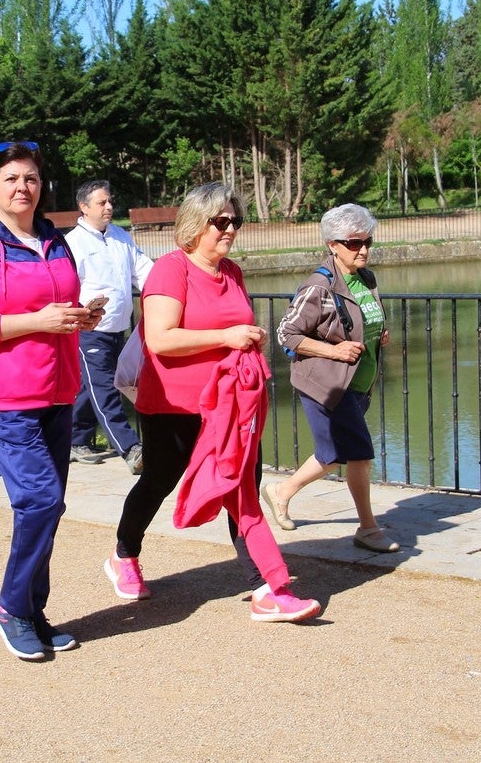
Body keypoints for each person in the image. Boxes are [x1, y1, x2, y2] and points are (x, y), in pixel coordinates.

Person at [106, 182, 321, 623]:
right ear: (194, 224)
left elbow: (234, 325)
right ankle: (124, 555)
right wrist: (226, 337)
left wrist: (249, 342)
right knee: (158, 481)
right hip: (172, 405)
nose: (230, 230)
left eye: (235, 221)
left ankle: (267, 588)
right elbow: (160, 339)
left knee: (242, 492)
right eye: (220, 221)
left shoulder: (233, 272)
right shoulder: (171, 271)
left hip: (231, 408)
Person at [0, 141, 104, 660]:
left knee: (49, 507)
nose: (22, 187)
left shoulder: (53, 239)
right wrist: (36, 322)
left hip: (57, 389)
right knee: (39, 500)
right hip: (6, 396)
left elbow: (57, 305)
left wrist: (82, 316)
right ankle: (11, 608)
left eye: (31, 178)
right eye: (11, 178)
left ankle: (34, 611)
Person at [264, 203, 397, 553]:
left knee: (332, 453)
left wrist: (377, 335)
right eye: (354, 243)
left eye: (368, 241)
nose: (364, 249)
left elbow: (359, 321)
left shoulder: (366, 278)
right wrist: (334, 351)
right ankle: (368, 528)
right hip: (327, 384)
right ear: (332, 245)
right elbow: (286, 334)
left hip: (358, 382)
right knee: (360, 454)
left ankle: (280, 491)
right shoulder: (318, 287)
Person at [63, 179, 153, 472]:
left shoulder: (121, 236)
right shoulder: (72, 243)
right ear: (84, 207)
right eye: (102, 202)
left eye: (110, 201)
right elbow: (65, 286)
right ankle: (130, 447)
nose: (109, 207)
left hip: (119, 327)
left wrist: (168, 289)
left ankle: (75, 439)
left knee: (95, 386)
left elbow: (143, 270)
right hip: (89, 330)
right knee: (105, 389)